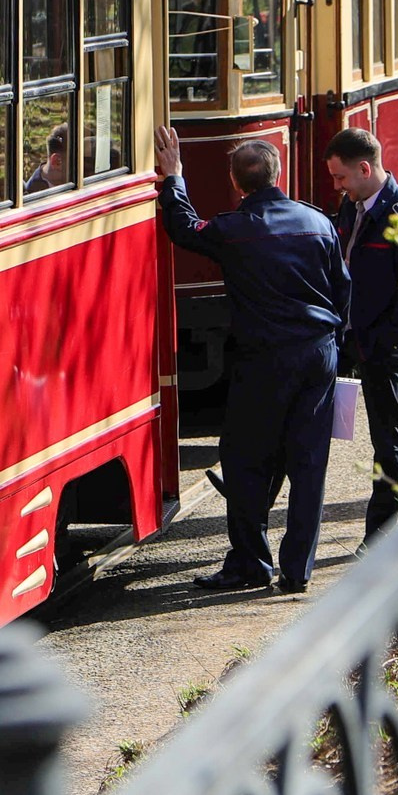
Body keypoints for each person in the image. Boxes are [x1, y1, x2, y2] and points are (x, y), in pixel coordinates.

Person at [153, 127, 346, 595]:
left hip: (264, 359)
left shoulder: (234, 230)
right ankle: (297, 570)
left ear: (237, 185)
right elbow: (343, 290)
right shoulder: (319, 223)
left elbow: (182, 227)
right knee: (308, 465)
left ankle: (251, 563)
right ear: (278, 174)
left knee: (242, 460)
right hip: (318, 352)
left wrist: (174, 177)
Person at [325, 128, 398, 542]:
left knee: (385, 437)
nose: (336, 187)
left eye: (341, 178)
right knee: (302, 416)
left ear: (364, 168)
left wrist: (388, 340)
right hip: (345, 337)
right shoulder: (350, 205)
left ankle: (381, 535)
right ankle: (257, 503)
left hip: (379, 345)